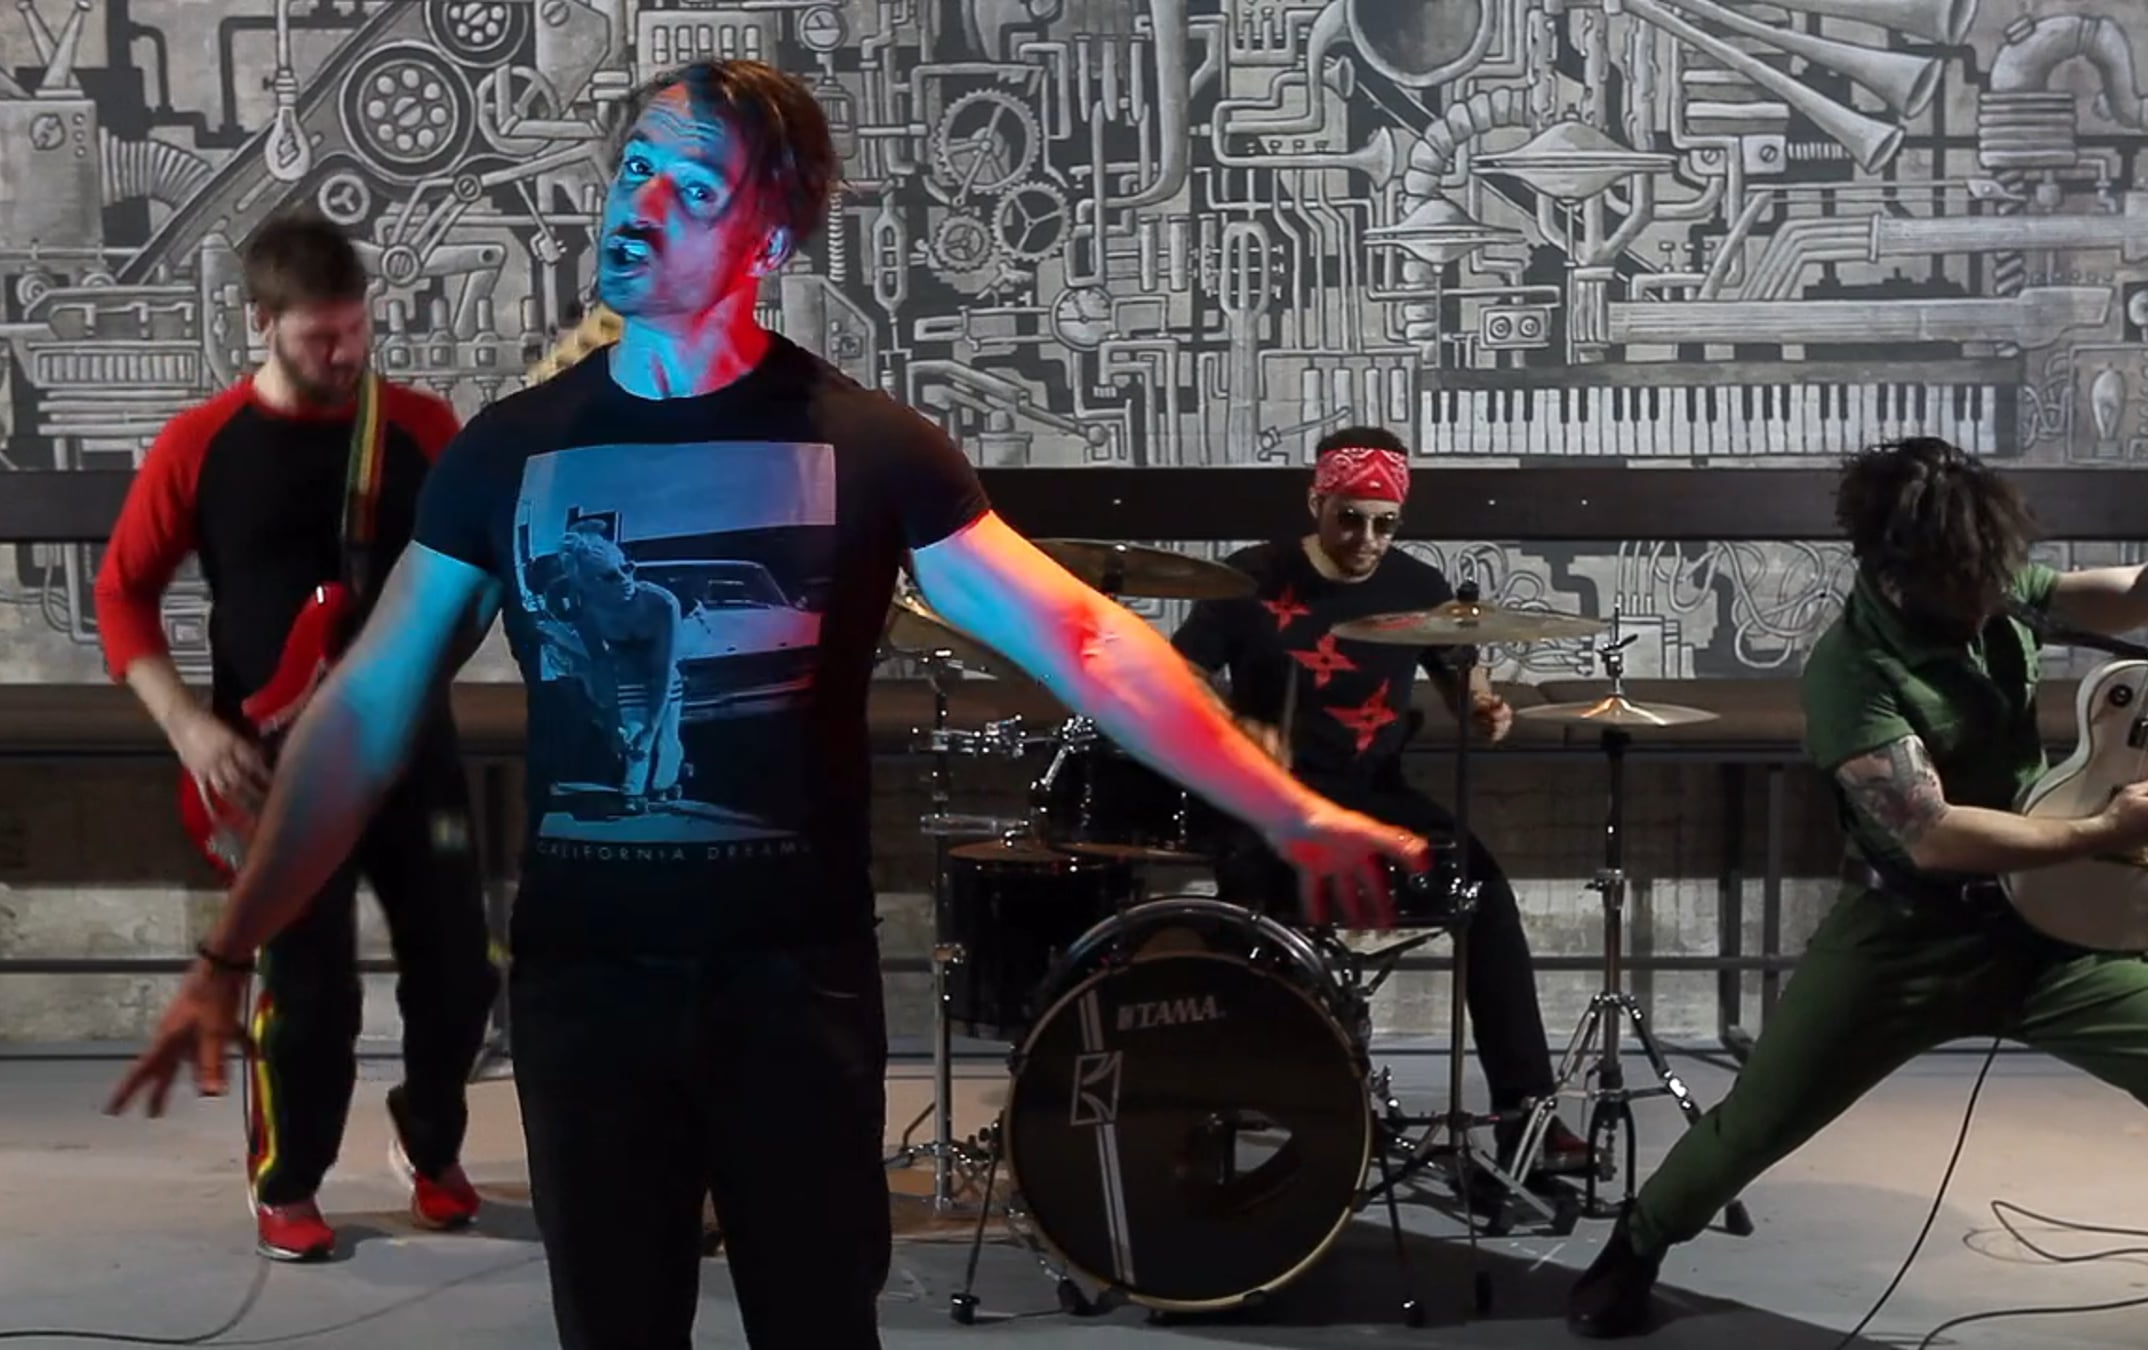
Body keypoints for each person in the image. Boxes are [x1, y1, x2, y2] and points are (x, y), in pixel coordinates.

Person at [103, 58, 1423, 1350]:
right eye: (634, 168)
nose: (639, 204)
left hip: (794, 996)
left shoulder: (869, 444)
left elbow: (1081, 634)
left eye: (691, 187)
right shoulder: (509, 450)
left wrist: (1286, 807)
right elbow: (361, 714)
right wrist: (232, 949)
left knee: (815, 1322)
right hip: (584, 1002)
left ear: (770, 238)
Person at [1565, 436, 2148, 1350]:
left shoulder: (1988, 580)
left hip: (2055, 925)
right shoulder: (1851, 672)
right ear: (1896, 573)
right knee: (1757, 1123)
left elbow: (2145, 592)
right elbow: (1935, 832)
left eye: (1997, 576)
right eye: (1970, 585)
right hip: (1907, 936)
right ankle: (1636, 1245)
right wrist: (2103, 834)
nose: (1992, 598)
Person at [92, 208, 497, 1261]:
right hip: (272, 769)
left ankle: (432, 1142)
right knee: (308, 991)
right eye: (323, 337)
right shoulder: (201, 444)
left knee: (460, 972)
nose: (348, 354)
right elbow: (123, 596)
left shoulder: (419, 428)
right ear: (260, 322)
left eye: (358, 329)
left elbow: (474, 566)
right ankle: (289, 1181)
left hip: (410, 750)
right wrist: (190, 728)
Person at [1170, 426, 1586, 1214]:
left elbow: (1462, 678)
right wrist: (1228, 724)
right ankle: (1244, 1109)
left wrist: (1485, 709)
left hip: (1375, 793)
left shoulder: (1417, 583)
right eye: (1350, 519)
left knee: (1487, 896)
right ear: (1316, 501)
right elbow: (1180, 670)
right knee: (1251, 915)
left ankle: (1526, 1120)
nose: (1366, 539)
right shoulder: (1252, 575)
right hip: (1272, 798)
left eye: (1384, 523)